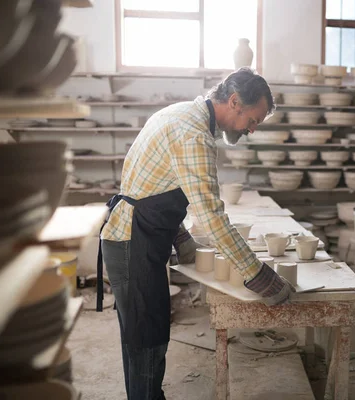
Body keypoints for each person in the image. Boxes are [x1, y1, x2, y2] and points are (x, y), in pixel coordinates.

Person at [98, 68, 293, 400]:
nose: (252, 129)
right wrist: (259, 276)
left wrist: (182, 239)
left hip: (135, 235)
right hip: (133, 240)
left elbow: (154, 187)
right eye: (253, 119)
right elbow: (213, 218)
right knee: (146, 339)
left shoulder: (182, 113)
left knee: (145, 334)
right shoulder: (194, 135)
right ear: (234, 102)